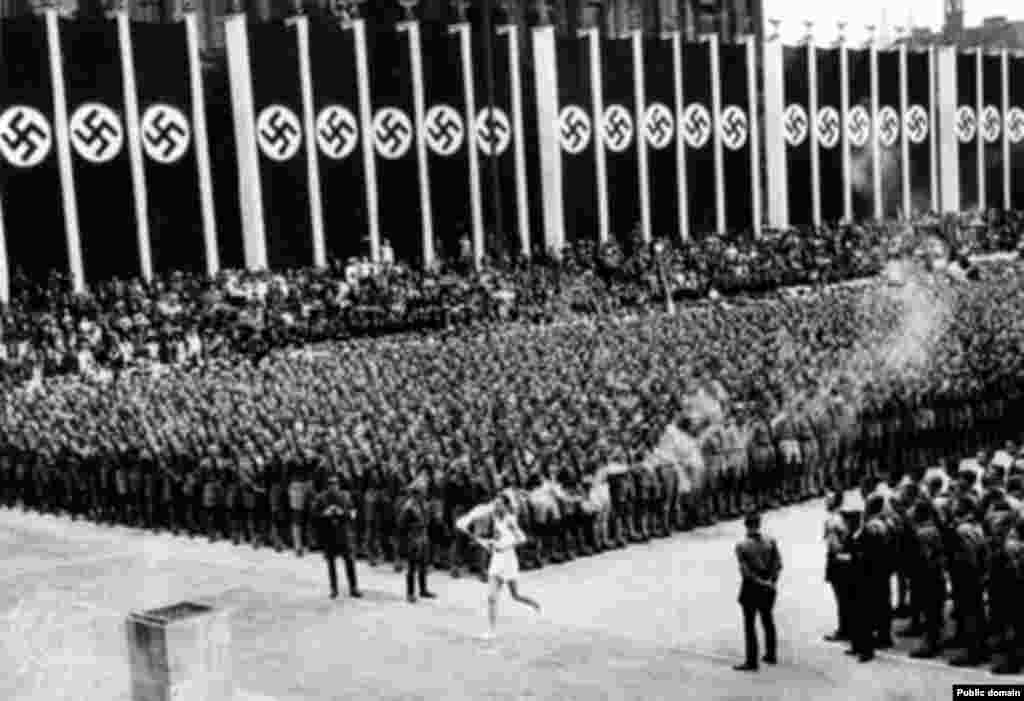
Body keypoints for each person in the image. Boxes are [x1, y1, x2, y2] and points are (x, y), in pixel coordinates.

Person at [456, 493, 541, 641]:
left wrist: (504, 546)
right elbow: (482, 515)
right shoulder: (494, 516)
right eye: (495, 504)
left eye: (499, 504)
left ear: (506, 506)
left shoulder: (510, 520)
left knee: (515, 595)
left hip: (509, 560)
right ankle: (491, 630)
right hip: (497, 560)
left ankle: (533, 604)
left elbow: (522, 538)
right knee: (491, 597)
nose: (495, 506)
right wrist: (488, 541)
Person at [734, 511, 782, 672]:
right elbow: (778, 565)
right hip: (769, 585)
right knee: (768, 620)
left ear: (746, 525)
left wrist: (760, 582)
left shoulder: (742, 546)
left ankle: (751, 660)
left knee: (750, 625)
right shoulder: (770, 541)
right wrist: (771, 582)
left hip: (752, 587)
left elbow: (745, 573)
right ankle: (771, 653)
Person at [312, 474, 362, 600]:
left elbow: (353, 512)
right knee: (331, 564)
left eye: (335, 484)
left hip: (343, 533)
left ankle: (353, 587)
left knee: (349, 562)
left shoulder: (345, 496)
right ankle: (334, 588)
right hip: (329, 534)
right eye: (331, 485)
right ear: (327, 486)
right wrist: (324, 513)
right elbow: (313, 515)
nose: (333, 487)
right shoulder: (321, 498)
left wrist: (343, 513)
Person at [397, 477, 436, 603]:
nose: (425, 493)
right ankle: (410, 593)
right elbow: (401, 525)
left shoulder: (422, 504)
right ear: (416, 492)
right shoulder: (409, 507)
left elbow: (426, 520)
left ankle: (423, 589)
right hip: (413, 538)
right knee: (412, 566)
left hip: (423, 536)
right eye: (422, 491)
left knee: (423, 564)